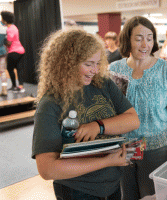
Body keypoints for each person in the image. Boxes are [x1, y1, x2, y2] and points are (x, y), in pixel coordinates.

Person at [31, 28, 140, 199]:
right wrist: (106, 161)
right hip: (78, 191)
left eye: (98, 63)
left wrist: (98, 127)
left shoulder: (103, 84)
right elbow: (47, 169)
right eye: (88, 64)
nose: (95, 70)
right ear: (67, 63)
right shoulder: (50, 104)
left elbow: (133, 120)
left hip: (112, 185)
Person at [109, 16, 167, 200]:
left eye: (149, 38)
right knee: (126, 196)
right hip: (123, 150)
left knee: (154, 197)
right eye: (138, 38)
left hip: (158, 151)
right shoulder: (114, 69)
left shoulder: (166, 70)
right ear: (127, 40)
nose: (145, 44)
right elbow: (111, 113)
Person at [1, 11, 25, 93]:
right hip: (20, 50)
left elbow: (9, 43)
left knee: (9, 68)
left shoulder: (10, 29)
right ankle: (20, 86)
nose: (1, 20)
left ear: (5, 20)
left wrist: (2, 40)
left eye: (2, 18)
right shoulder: (14, 27)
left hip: (14, 51)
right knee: (18, 68)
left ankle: (14, 86)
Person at [0, 22, 7, 96]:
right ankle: (4, 89)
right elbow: (6, 41)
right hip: (2, 51)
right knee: (3, 71)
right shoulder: (4, 28)